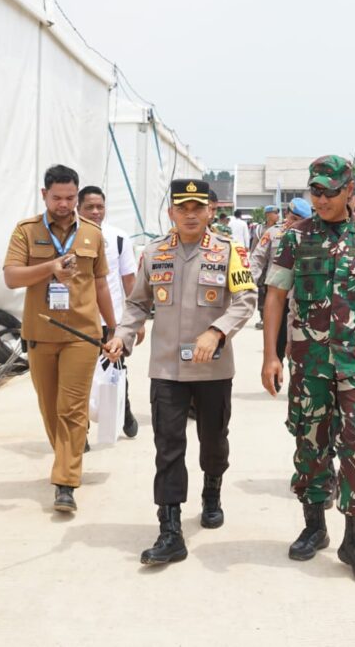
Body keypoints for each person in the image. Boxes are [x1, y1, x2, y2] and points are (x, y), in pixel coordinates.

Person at [261, 155, 355, 585]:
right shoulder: (293, 239)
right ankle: (314, 527)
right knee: (311, 442)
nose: (320, 199)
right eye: (315, 191)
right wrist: (271, 355)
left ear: (349, 192)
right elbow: (274, 298)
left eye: (328, 191)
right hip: (309, 364)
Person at [103, 179, 256, 565]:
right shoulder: (155, 253)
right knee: (168, 448)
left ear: (210, 211)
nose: (190, 214)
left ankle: (212, 489)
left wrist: (216, 331)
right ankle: (170, 529)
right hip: (167, 368)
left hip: (213, 369)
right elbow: (138, 303)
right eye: (182, 207)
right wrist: (123, 334)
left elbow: (245, 299)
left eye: (197, 207)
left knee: (213, 440)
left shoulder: (228, 251)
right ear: (171, 212)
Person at [3, 164, 115, 514]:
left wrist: (116, 328)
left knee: (71, 407)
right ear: (44, 195)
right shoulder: (26, 231)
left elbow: (99, 284)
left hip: (82, 333)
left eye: (70, 198)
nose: (64, 204)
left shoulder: (93, 234)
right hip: (40, 333)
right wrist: (49, 267)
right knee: (50, 408)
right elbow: (11, 278)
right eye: (57, 198)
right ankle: (69, 451)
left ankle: (65, 482)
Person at [77, 185, 140, 438]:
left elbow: (129, 280)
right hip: (79, 321)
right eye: (89, 207)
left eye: (99, 207)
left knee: (114, 371)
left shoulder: (118, 238)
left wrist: (137, 320)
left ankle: (122, 414)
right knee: (78, 377)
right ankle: (81, 429)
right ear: (78, 208)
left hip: (111, 321)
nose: (95, 212)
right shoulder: (69, 238)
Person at [250, 197, 312, 362]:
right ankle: (275, 378)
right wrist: (249, 286)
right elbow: (257, 259)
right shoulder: (273, 233)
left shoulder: (311, 237)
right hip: (278, 297)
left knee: (300, 344)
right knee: (277, 344)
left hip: (301, 297)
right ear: (286, 214)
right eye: (293, 219)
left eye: (300, 220)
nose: (295, 223)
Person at [253, 205, 281, 330]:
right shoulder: (260, 229)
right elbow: (255, 249)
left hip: (274, 267)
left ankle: (270, 319)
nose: (277, 215)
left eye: (278, 213)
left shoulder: (282, 229)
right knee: (262, 292)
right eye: (275, 213)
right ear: (268, 214)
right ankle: (262, 317)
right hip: (262, 267)